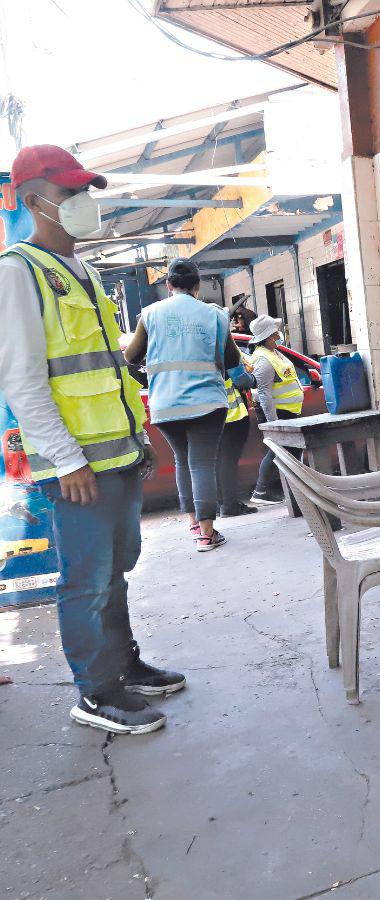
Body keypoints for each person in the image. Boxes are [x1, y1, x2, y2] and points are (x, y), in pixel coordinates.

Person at [0, 144, 184, 735]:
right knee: (85, 580)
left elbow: (108, 370)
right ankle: (95, 691)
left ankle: (123, 666)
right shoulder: (16, 273)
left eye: (86, 192)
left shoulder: (83, 272)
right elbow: (24, 382)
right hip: (77, 468)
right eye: (70, 194)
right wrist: (65, 459)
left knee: (115, 571)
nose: (83, 203)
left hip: (118, 456)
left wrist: (138, 438)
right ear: (34, 201)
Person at [125, 259, 241, 551]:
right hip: (206, 402)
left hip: (165, 403)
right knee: (201, 463)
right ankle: (206, 533)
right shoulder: (215, 315)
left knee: (182, 461)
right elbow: (232, 360)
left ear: (168, 285)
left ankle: (193, 522)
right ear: (198, 285)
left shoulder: (149, 314)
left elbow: (131, 356)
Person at [246, 314, 304, 505]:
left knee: (289, 451)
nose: (279, 333)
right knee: (276, 450)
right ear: (270, 335)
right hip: (277, 413)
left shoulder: (273, 352)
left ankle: (296, 492)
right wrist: (274, 424)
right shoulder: (263, 359)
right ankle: (261, 491)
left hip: (287, 411)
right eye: (276, 331)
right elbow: (264, 394)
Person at [216, 342, 258, 517]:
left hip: (210, 413)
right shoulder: (223, 346)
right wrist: (253, 379)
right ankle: (229, 505)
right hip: (232, 415)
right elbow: (241, 378)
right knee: (228, 462)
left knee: (216, 462)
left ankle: (222, 504)